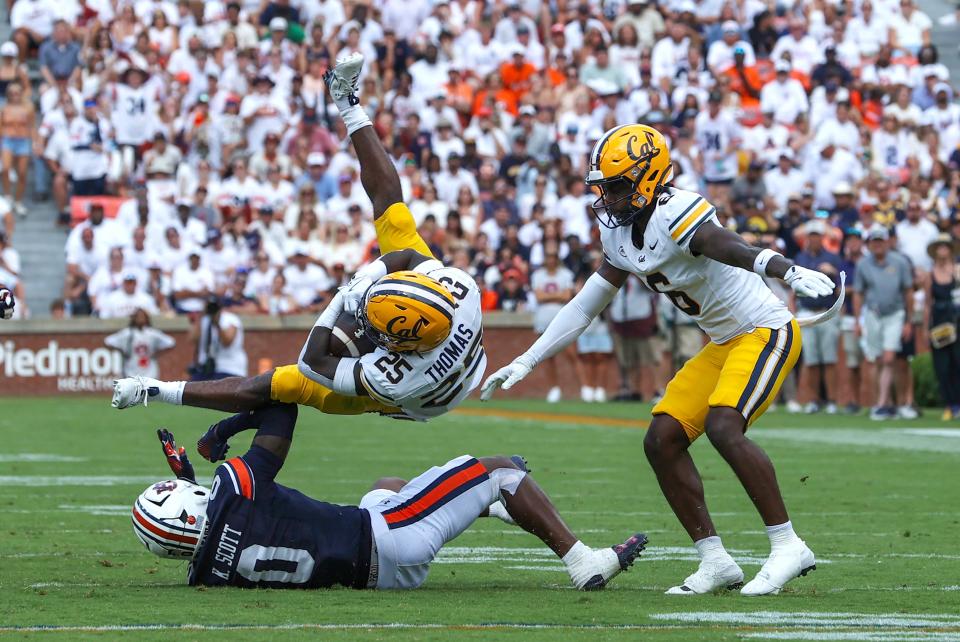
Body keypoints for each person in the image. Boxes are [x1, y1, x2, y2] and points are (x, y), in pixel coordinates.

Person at [483, 124, 839, 596]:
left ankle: (788, 544)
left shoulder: (676, 211)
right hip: (723, 342)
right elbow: (586, 305)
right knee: (662, 439)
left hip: (765, 329)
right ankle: (715, 561)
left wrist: (786, 269)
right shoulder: (620, 234)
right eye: (603, 187)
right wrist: (528, 359)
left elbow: (729, 246)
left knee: (723, 426)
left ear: (648, 177)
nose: (607, 197)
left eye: (616, 186)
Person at [112, 54, 485, 422]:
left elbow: (312, 360)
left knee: (281, 384)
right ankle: (346, 100)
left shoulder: (394, 381)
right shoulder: (460, 288)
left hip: (420, 400)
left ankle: (154, 388)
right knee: (393, 210)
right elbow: (403, 255)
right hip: (439, 345)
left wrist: (344, 294)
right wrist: (369, 279)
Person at [135, 404, 647, 591]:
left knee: (384, 487)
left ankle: (485, 507)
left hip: (371, 572)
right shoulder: (231, 489)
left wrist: (187, 472)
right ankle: (585, 561)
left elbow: (216, 521)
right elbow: (279, 410)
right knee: (503, 470)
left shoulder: (203, 573)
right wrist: (221, 432)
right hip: (390, 538)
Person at [853, 225, 915, 421]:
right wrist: (857, 321)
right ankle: (884, 403)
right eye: (874, 241)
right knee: (875, 360)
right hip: (872, 314)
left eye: (881, 241)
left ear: (887, 242)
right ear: (870, 244)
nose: (878, 245)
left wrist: (909, 321)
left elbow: (908, 292)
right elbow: (858, 294)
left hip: (895, 314)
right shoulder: (863, 264)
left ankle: (881, 404)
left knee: (889, 358)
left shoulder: (900, 262)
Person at [793, 220, 843, 414]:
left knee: (829, 359)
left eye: (817, 235)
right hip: (806, 312)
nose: (813, 239)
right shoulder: (801, 258)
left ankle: (831, 400)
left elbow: (840, 288)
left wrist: (833, 273)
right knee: (812, 360)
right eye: (811, 235)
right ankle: (814, 400)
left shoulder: (833, 258)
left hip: (827, 310)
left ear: (822, 238)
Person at [530, 244, 581, 402]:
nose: (550, 260)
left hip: (562, 318)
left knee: (572, 354)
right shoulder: (537, 275)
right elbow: (539, 297)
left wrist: (549, 295)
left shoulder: (565, 274)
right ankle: (554, 389)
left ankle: (583, 387)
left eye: (553, 257)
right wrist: (557, 295)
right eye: (548, 257)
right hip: (543, 319)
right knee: (546, 357)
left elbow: (567, 296)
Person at [923, 235, 960, 420]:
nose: (943, 249)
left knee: (958, 363)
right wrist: (925, 328)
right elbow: (928, 304)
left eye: (946, 246)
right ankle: (950, 404)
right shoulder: (930, 275)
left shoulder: (958, 270)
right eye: (940, 246)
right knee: (942, 366)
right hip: (939, 323)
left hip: (957, 321)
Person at [104, 308, 176, 378]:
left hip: (150, 371)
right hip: (131, 370)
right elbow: (108, 341)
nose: (140, 319)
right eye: (138, 316)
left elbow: (170, 342)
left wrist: (157, 353)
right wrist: (122, 351)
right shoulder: (128, 333)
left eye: (142, 316)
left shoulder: (152, 333)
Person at [190, 297, 247, 380]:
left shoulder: (230, 319)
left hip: (229, 368)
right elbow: (192, 339)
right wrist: (200, 317)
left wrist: (217, 324)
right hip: (207, 369)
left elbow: (227, 342)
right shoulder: (204, 319)